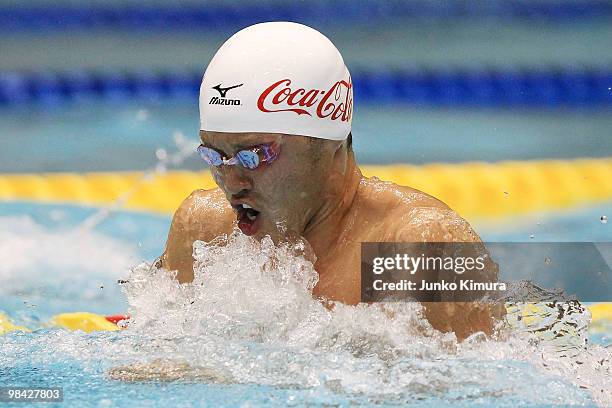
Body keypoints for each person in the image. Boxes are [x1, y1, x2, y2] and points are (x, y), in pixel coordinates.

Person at [161, 22, 502, 341]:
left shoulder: (415, 246)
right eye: (214, 155)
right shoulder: (206, 231)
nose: (232, 182)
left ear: (331, 145)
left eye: (254, 155)